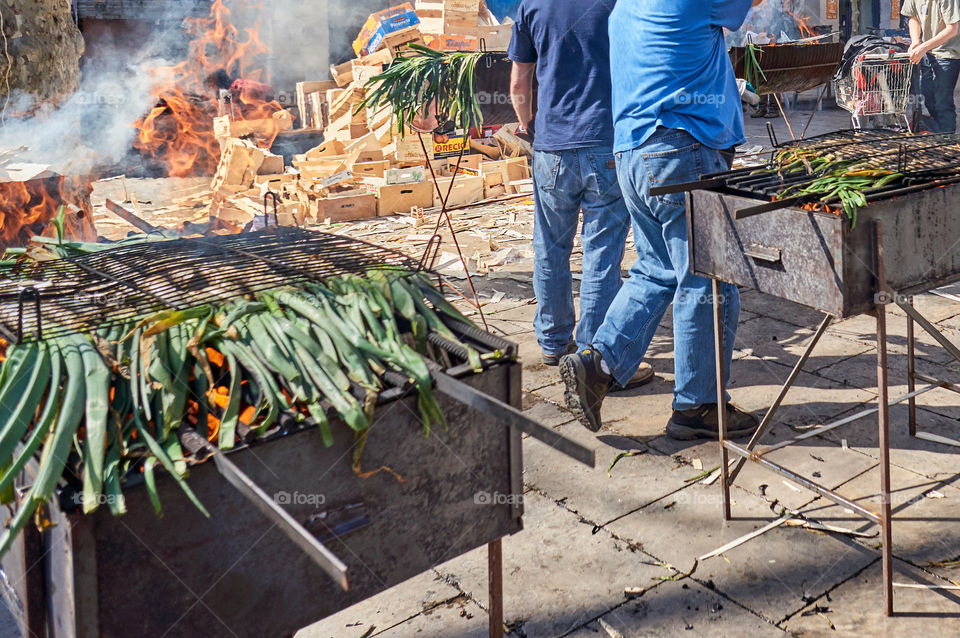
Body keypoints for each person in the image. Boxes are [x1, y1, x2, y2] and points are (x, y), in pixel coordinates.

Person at [560, 0, 763, 440]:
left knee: (656, 269)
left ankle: (597, 363)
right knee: (707, 279)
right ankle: (698, 406)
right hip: (680, 149)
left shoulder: (623, 9)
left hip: (633, 154)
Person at [508, 0, 653, 389]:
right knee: (602, 252)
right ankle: (593, 356)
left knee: (550, 248)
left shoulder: (531, 6)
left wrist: (528, 126)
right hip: (605, 143)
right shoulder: (616, 4)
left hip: (551, 148)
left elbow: (519, 82)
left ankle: (554, 343)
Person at [903, 0, 960, 133]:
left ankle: (947, 140)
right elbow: (913, 17)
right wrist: (916, 40)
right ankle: (940, 134)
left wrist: (924, 46)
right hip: (928, 52)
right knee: (929, 98)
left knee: (942, 102)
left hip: (948, 53)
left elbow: (952, 29)